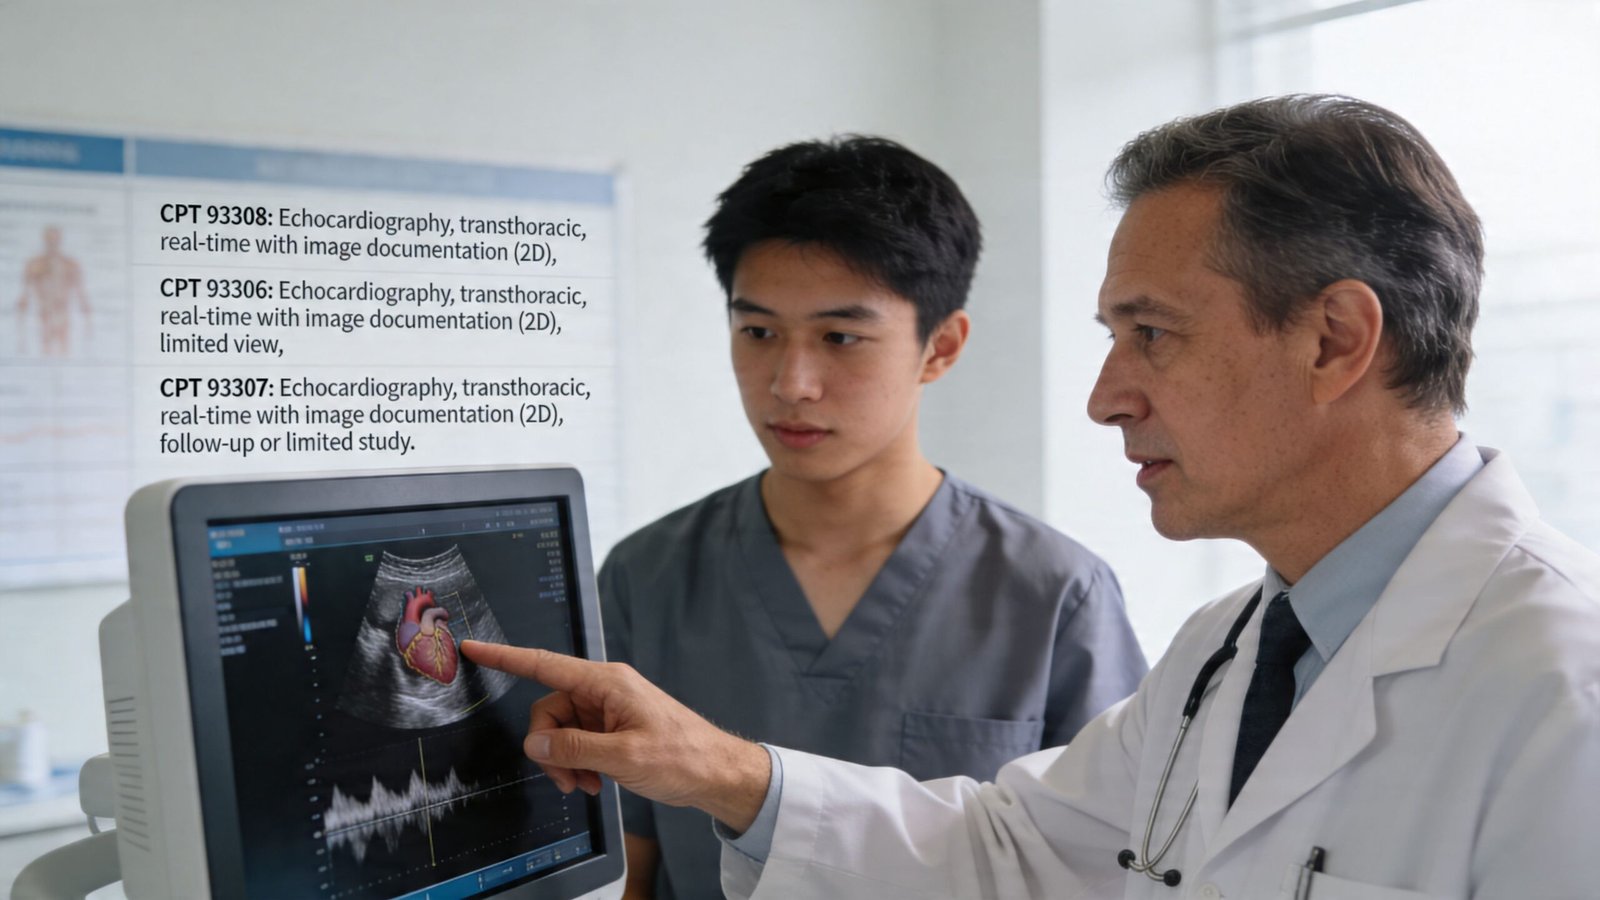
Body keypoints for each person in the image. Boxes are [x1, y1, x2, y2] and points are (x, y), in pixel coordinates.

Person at [463, 95, 1600, 898]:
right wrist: (714, 768)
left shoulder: (1562, 691)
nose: (1105, 398)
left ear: (1335, 339)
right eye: (758, 331)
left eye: (1151, 334)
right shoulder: (1230, 652)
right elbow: (1009, 850)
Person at [598, 135, 1148, 899]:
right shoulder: (647, 576)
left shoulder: (1055, 593)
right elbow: (624, 872)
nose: (792, 383)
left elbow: (1111, 871)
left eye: (840, 337)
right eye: (758, 332)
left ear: (940, 347)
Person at [16, 225, 91, 356]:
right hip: (44, 313)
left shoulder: (71, 265)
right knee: (45, 348)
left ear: (60, 240)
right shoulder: (35, 265)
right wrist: (21, 334)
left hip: (64, 313)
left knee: (64, 348)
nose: (52, 244)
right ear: (45, 240)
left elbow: (81, 296)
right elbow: (24, 297)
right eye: (50, 240)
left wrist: (88, 324)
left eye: (55, 240)